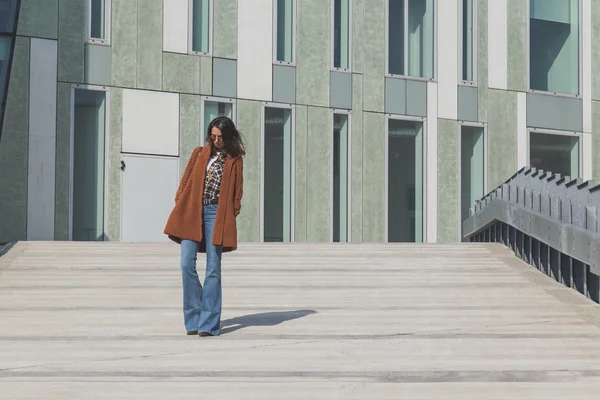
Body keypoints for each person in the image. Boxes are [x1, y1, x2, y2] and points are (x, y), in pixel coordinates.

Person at [164, 116, 245, 337]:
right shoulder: (199, 153)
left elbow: (237, 195)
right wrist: (181, 200)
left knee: (213, 269)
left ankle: (208, 323)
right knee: (186, 264)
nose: (216, 140)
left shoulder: (235, 159)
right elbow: (185, 181)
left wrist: (229, 215)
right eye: (213, 136)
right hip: (192, 211)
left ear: (228, 137)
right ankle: (193, 318)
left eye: (220, 137)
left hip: (215, 214)